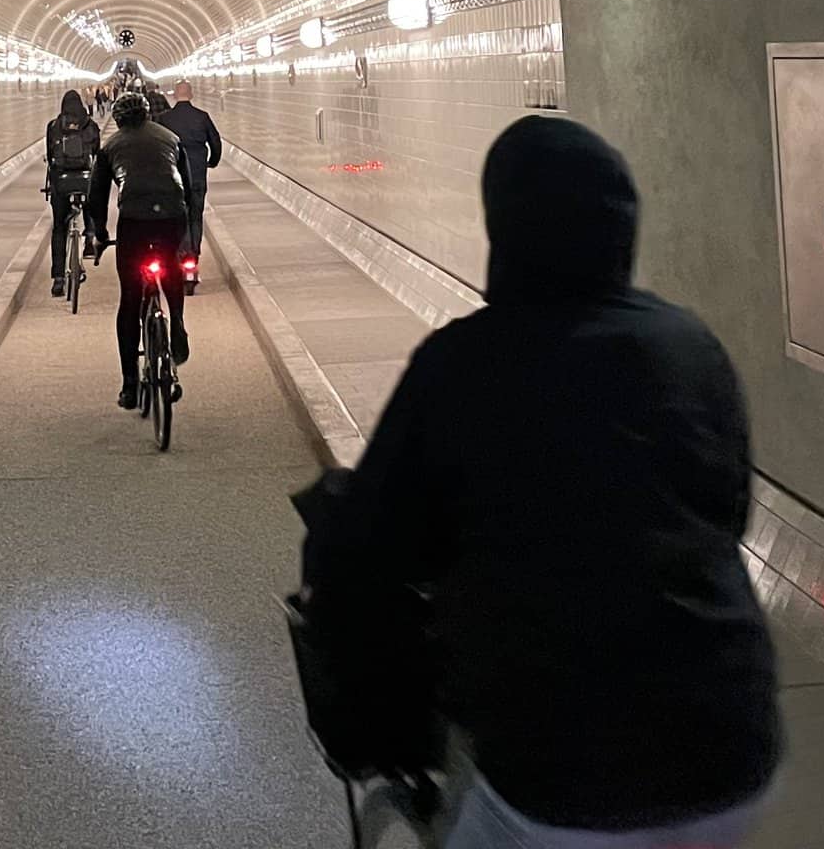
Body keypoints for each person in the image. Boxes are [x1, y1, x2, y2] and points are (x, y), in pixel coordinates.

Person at [299, 116, 782, 848]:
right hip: (731, 738)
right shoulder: (687, 343)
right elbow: (727, 510)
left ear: (505, 227)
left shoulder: (463, 363)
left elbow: (375, 543)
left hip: (563, 771)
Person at [84, 91, 192, 409]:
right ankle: (178, 324)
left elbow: (96, 197)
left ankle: (130, 386)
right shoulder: (171, 139)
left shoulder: (111, 146)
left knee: (130, 301)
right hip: (172, 215)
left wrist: (100, 235)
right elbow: (186, 186)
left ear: (118, 120)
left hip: (134, 222)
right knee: (170, 269)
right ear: (147, 116)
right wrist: (185, 232)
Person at [159, 80, 224, 276]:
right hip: (196, 174)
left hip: (173, 177)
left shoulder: (164, 119)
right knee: (195, 215)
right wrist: (212, 162)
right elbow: (216, 142)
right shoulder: (202, 117)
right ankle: (193, 254)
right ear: (192, 94)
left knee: (176, 217)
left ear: (174, 95)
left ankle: (180, 252)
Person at [43, 88, 100, 295]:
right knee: (90, 205)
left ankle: (58, 278)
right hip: (85, 180)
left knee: (59, 227)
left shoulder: (54, 126)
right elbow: (97, 153)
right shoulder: (90, 125)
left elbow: (50, 156)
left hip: (61, 183)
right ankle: (90, 238)